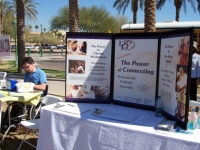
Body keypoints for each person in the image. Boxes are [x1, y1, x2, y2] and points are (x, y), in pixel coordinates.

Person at [9, 57, 47, 126]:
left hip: (37, 95)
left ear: (32, 63)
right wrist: (22, 82)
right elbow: (26, 83)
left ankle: (15, 122)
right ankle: (10, 120)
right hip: (27, 93)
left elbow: (43, 87)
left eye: (27, 67)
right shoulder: (27, 73)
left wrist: (31, 86)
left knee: (20, 103)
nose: (26, 69)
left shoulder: (40, 73)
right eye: (24, 68)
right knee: (16, 101)